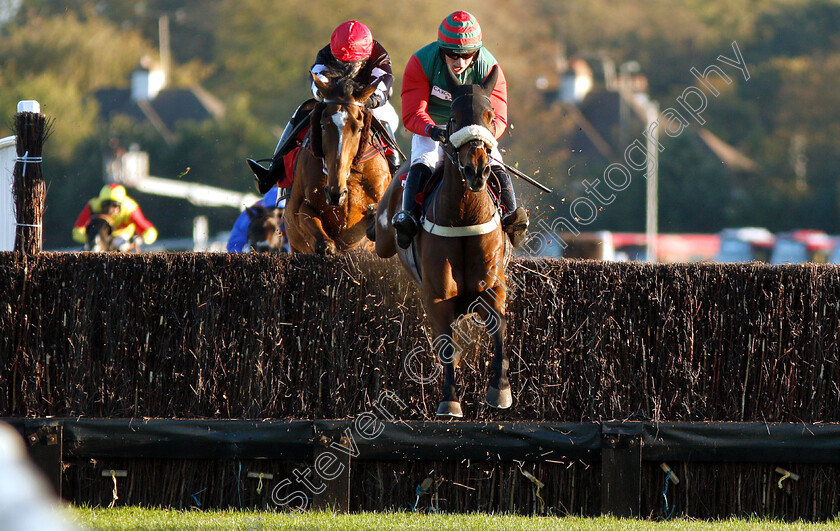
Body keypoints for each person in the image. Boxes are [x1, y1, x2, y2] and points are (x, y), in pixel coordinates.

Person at [392, 10, 529, 249]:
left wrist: (476, 135)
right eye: (452, 55)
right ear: (440, 49)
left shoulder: (489, 67)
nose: (460, 62)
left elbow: (498, 117)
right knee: (424, 160)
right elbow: (412, 112)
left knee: (495, 162)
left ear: (476, 52)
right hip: (432, 126)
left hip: (474, 130)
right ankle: (409, 218)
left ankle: (509, 217)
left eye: (467, 56)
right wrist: (432, 130)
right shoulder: (421, 62)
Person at [247, 20, 400, 194]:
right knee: (302, 110)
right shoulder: (326, 53)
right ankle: (273, 170)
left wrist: (370, 99)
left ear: (365, 57)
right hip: (334, 100)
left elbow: (385, 84)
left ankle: (395, 171)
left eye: (352, 63)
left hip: (365, 101)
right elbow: (317, 76)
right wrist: (321, 92)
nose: (346, 67)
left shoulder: (379, 55)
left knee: (385, 115)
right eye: (341, 62)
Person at [72, 184, 158, 250]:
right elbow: (76, 231)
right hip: (102, 238)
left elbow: (150, 231)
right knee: (92, 246)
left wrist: (141, 239)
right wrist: (90, 237)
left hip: (122, 237)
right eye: (106, 204)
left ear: (121, 204)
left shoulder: (130, 209)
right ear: (100, 202)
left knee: (122, 245)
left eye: (115, 205)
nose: (110, 209)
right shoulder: (93, 205)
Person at [227, 186, 289, 253]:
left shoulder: (295, 216)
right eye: (271, 211)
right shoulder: (249, 217)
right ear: (264, 208)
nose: (275, 216)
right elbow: (234, 245)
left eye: (280, 213)